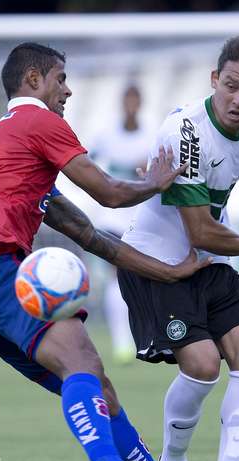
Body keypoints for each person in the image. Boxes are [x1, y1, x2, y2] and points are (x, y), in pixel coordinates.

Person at [0, 42, 209, 461]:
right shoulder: (36, 122)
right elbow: (110, 194)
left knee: (95, 382)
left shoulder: (9, 147)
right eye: (60, 78)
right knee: (81, 360)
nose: (67, 90)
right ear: (33, 80)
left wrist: (169, 271)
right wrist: (158, 181)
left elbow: (91, 235)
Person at [117, 35, 239, 461]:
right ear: (214, 79)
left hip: (205, 262)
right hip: (157, 262)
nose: (238, 99)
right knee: (205, 363)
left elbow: (210, 216)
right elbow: (199, 227)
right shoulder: (185, 131)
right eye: (230, 86)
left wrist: (235, 244)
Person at [88, 84, 154, 363]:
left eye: (134, 100)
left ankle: (145, 336)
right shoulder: (106, 133)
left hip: (141, 213)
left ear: (140, 103)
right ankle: (122, 342)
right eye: (126, 100)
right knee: (118, 272)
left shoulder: (152, 134)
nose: (130, 105)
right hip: (113, 212)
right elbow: (87, 160)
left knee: (142, 276)